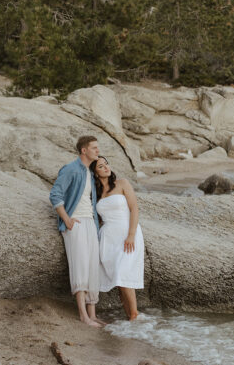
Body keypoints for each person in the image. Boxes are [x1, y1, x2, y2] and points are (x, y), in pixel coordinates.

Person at [49, 135, 103, 327]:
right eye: (94, 148)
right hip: (76, 224)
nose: (98, 151)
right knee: (80, 266)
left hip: (90, 223)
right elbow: (55, 193)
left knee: (91, 267)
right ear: (84, 150)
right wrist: (66, 219)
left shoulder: (89, 172)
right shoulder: (71, 169)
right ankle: (83, 316)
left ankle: (93, 314)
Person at [90, 155, 144, 320]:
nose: (106, 167)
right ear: (95, 172)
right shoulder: (96, 193)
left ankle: (134, 314)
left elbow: (134, 208)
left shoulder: (122, 183)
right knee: (119, 280)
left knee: (123, 273)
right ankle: (130, 317)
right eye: (101, 166)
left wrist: (131, 235)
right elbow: (96, 218)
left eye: (106, 164)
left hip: (126, 233)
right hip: (108, 238)